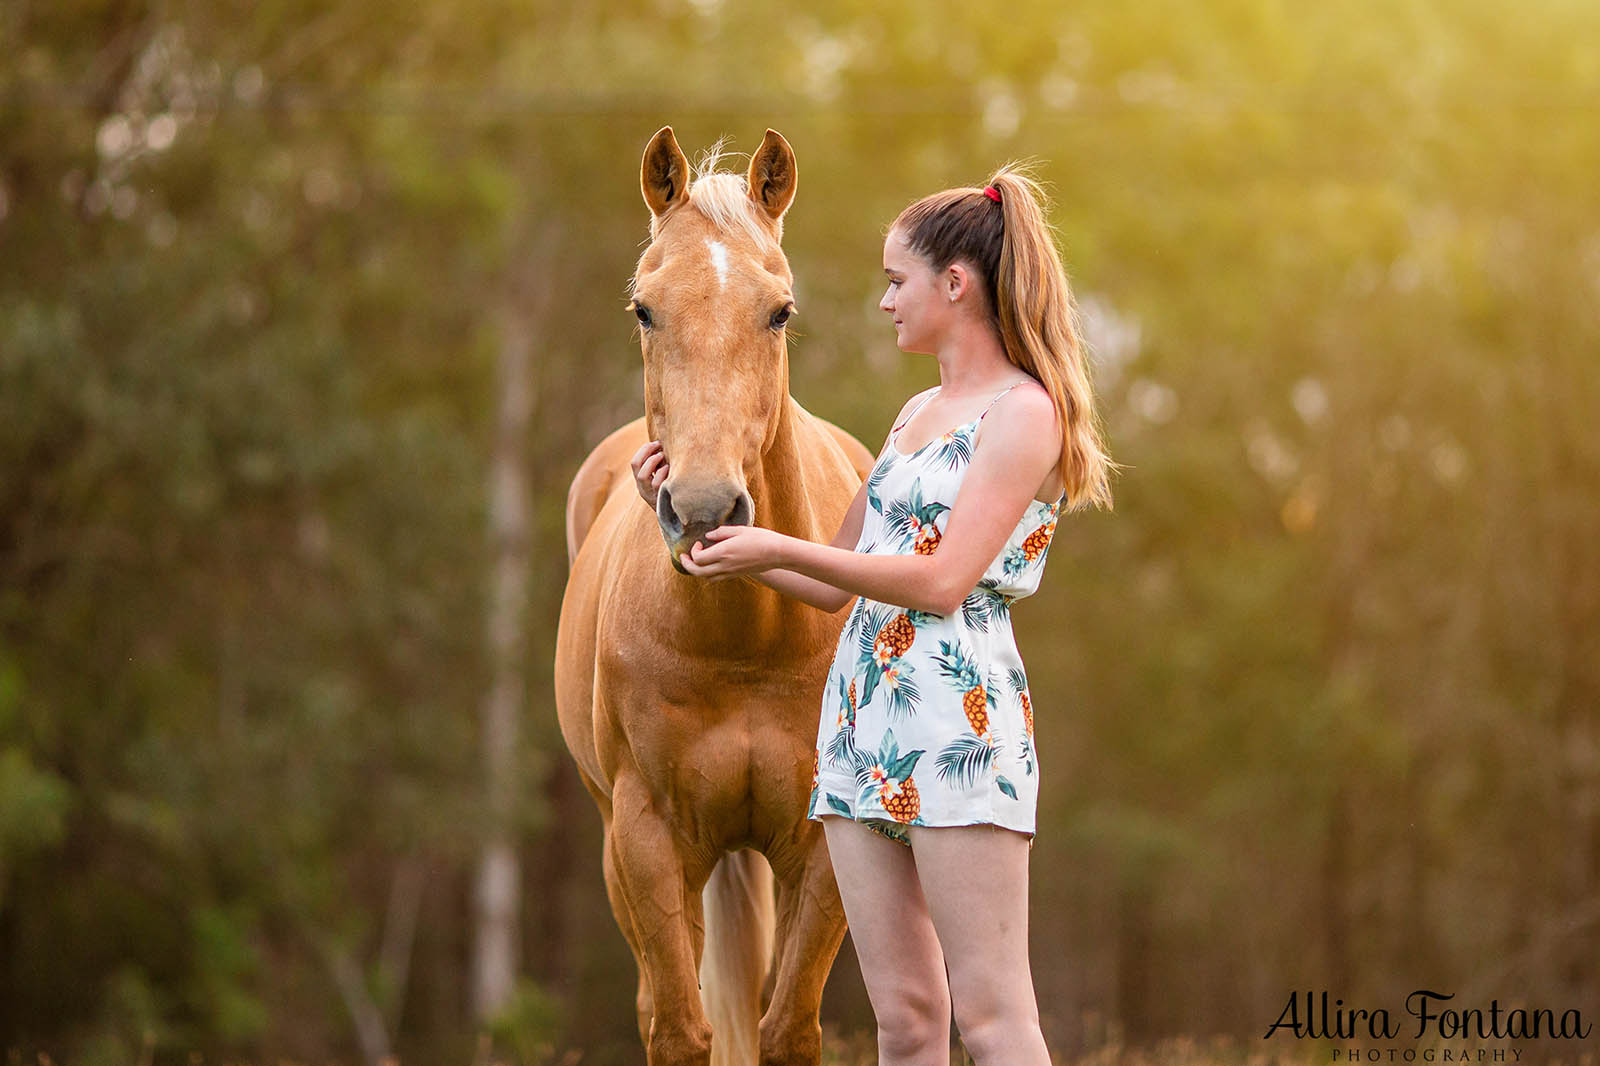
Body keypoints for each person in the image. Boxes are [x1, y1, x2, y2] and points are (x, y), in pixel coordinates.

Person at [630, 166, 1113, 1066]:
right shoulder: (914, 415)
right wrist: (694, 514)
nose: (885, 301)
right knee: (905, 1020)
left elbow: (939, 582)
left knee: (995, 1016)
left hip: (955, 718)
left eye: (899, 282)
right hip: (859, 722)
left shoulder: (1024, 416)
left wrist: (772, 549)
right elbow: (833, 584)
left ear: (955, 285)